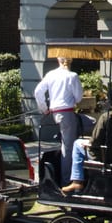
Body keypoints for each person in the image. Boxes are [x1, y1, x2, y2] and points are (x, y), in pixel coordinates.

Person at [62, 88, 112, 194]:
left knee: (77, 143)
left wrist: (88, 143)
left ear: (109, 100)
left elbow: (95, 141)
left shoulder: (106, 117)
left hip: (106, 157)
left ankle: (77, 180)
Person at [33, 56, 83, 185]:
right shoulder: (72, 76)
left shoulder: (51, 74)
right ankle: (67, 180)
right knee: (69, 147)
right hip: (67, 113)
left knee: (65, 145)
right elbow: (78, 98)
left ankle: (68, 176)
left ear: (58, 61)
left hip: (56, 113)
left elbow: (38, 91)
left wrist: (44, 108)